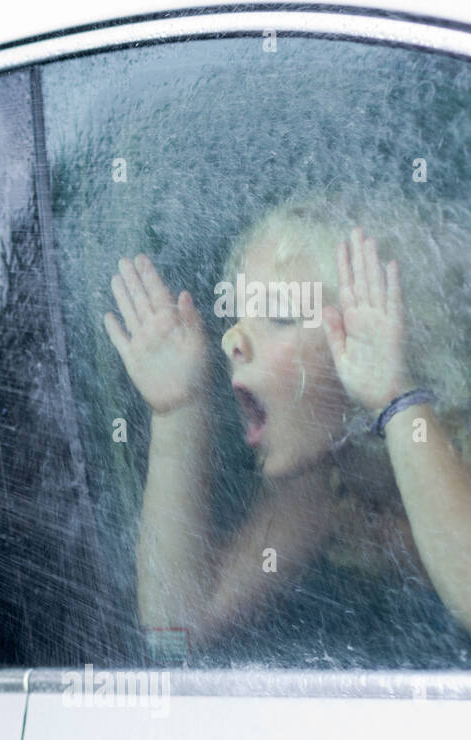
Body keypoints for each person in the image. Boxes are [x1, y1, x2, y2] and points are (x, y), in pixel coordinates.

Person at [102, 195, 471, 659]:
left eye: (278, 316)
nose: (233, 340)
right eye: (236, 316)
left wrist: (394, 395)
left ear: (389, 338)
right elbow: (176, 628)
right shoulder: (328, 490)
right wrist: (179, 411)